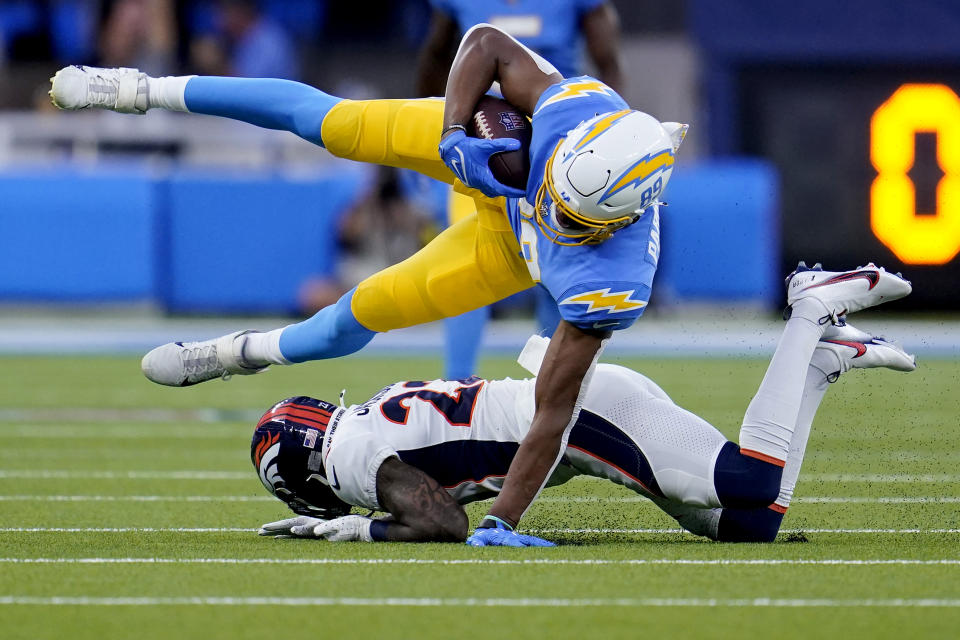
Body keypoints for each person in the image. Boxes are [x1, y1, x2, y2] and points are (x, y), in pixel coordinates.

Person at [48, 22, 911, 545]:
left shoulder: (607, 278)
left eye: (576, 215)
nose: (559, 208)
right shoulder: (573, 112)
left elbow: (554, 410)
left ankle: (239, 352)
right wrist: (463, 131)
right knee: (329, 123)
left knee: (366, 314)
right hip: (493, 156)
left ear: (613, 223)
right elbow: (486, 45)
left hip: (513, 259)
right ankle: (139, 89)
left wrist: (502, 521)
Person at [252, 303, 915, 545]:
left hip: (581, 416)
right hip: (577, 415)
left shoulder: (346, 454)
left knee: (750, 480)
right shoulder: (366, 415)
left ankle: (809, 315)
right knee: (752, 524)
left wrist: (363, 527)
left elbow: (444, 523)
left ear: (304, 471)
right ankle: (822, 363)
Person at [415, 0, 624, 380]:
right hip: (480, 142)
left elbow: (608, 63)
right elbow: (434, 56)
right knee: (464, 263)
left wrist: (614, 139)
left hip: (559, 141)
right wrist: (446, 128)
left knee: (556, 267)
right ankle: (455, 384)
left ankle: (544, 386)